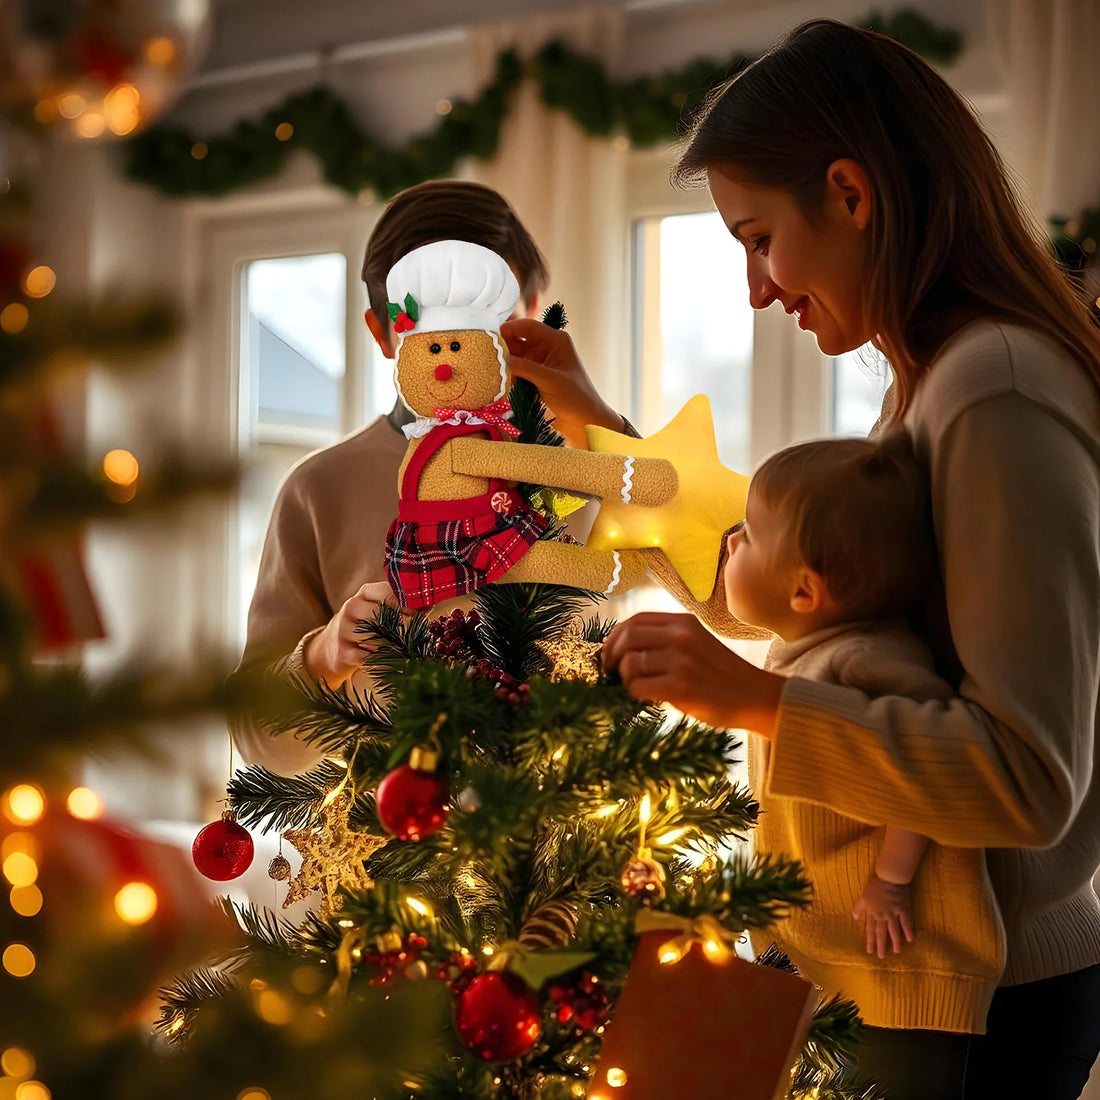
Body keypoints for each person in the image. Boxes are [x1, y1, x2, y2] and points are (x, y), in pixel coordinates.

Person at [509, 18, 1100, 1099]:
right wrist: (591, 419)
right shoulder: (932, 378)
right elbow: (796, 564)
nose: (756, 288)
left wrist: (758, 700)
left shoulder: (993, 390)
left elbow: (1026, 778)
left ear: (849, 192)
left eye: (755, 237)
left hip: (979, 1001)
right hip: (925, 975)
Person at [230, 180, 551, 775]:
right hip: (381, 857)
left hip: (582, 856)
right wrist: (322, 655)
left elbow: (732, 602)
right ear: (383, 335)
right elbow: (258, 741)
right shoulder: (319, 490)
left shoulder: (593, 471)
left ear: (533, 313)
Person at [728, 431, 1002, 1066]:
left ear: (804, 591)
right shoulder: (803, 651)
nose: (730, 541)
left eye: (747, 530)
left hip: (893, 960)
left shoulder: (866, 661)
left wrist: (891, 878)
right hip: (821, 945)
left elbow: (922, 774)